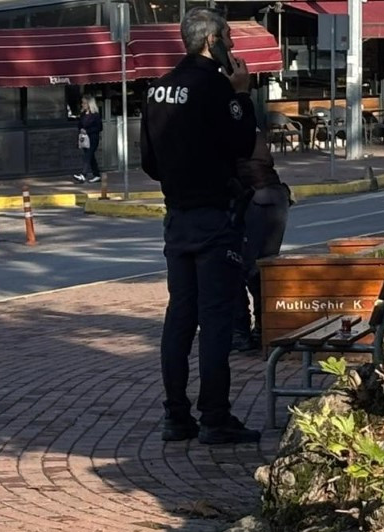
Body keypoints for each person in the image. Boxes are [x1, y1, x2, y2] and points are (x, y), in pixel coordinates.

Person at [141, 7, 260, 445]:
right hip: (215, 215)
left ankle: (176, 414)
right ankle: (215, 415)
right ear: (212, 41)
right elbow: (244, 142)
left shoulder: (157, 89)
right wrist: (242, 95)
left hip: (177, 217)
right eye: (228, 36)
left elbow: (149, 162)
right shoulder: (214, 86)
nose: (232, 44)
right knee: (214, 320)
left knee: (179, 317)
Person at [232, 130, 291, 352]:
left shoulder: (229, 125)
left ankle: (247, 331)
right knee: (257, 267)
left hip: (258, 199)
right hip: (270, 197)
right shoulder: (245, 126)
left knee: (246, 267)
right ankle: (260, 329)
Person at [74, 96, 102, 184]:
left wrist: (88, 131)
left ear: (89, 104)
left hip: (93, 138)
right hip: (84, 139)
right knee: (91, 157)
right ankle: (97, 175)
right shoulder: (83, 114)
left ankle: (83, 175)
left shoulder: (95, 115)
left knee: (87, 156)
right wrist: (81, 129)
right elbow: (79, 124)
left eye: (84, 103)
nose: (82, 104)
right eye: (82, 103)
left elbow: (99, 127)